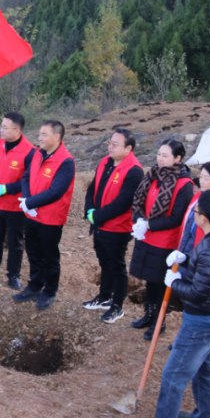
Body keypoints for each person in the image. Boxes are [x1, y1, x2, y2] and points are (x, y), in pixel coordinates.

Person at [131, 190, 210, 418]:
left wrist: (174, 283)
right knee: (205, 368)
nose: (194, 214)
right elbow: (207, 273)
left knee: (173, 376)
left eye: (197, 211)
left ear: (204, 218)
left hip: (201, 320)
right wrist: (186, 259)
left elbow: (198, 292)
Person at [129, 139, 194, 340]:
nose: (160, 159)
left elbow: (176, 217)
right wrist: (139, 220)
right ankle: (148, 315)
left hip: (164, 242)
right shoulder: (153, 175)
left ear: (178, 158)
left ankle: (159, 322)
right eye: (159, 154)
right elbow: (139, 201)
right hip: (146, 237)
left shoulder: (184, 184)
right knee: (150, 281)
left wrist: (149, 224)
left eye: (165, 155)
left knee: (160, 283)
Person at [82, 128, 144, 324]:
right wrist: (90, 210)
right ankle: (104, 296)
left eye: (115, 144)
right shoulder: (105, 162)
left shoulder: (134, 170)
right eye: (110, 142)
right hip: (99, 224)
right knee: (104, 263)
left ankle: (117, 305)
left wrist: (97, 216)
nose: (110, 147)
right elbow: (93, 188)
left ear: (128, 148)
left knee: (116, 266)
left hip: (118, 227)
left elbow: (123, 203)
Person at [14, 120, 76, 311]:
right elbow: (26, 177)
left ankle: (49, 291)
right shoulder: (37, 153)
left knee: (49, 256)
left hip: (51, 218)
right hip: (31, 215)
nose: (39, 137)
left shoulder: (66, 161)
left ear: (57, 137)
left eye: (44, 134)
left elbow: (56, 192)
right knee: (33, 253)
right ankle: (34, 286)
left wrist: (30, 203)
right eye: (39, 133)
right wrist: (27, 200)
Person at [0, 112, 35, 290]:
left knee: (15, 243)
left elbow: (29, 180)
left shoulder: (29, 151)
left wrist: (6, 188)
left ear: (17, 130)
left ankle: (13, 275)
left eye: (4, 127)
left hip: (15, 207)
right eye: (1, 126)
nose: (1, 130)